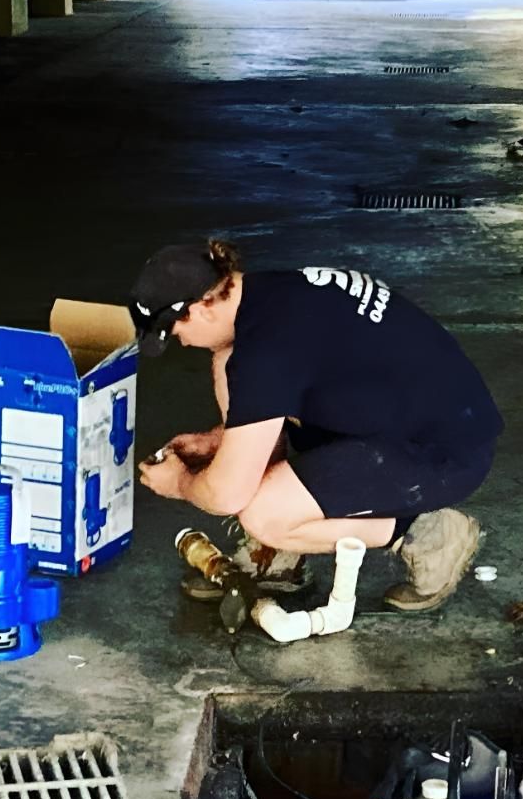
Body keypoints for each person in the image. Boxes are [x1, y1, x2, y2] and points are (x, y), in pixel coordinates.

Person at [130, 241, 502, 611]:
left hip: (444, 451)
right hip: (406, 412)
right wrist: (222, 441)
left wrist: (180, 482)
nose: (180, 342)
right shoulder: (267, 294)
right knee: (227, 357)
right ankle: (277, 556)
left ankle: (423, 531)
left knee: (263, 513)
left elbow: (226, 494)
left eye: (174, 332)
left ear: (199, 310)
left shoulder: (268, 349)